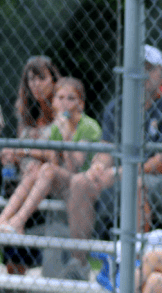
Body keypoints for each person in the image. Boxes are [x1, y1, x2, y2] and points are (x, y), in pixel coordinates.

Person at [67, 45, 162, 273]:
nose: (142, 73)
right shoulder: (117, 106)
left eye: (149, 68)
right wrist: (97, 168)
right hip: (123, 178)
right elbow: (106, 150)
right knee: (80, 182)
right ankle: (79, 263)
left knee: (136, 185)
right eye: (137, 67)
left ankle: (135, 268)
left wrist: (118, 173)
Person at [0, 78, 102, 237]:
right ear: (53, 102)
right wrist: (22, 154)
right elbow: (52, 160)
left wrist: (66, 135)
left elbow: (74, 167)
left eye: (71, 98)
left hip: (82, 184)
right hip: (62, 183)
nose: (64, 103)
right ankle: (3, 219)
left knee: (47, 170)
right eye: (60, 98)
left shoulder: (88, 126)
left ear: (80, 104)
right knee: (36, 171)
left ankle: (18, 222)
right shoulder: (56, 127)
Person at [0, 56, 60, 175]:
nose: (36, 84)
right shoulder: (25, 112)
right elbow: (20, 151)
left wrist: (23, 151)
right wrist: (10, 154)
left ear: (53, 80)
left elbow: (56, 155)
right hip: (26, 174)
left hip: (51, 173)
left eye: (42, 78)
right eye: (32, 79)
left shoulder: (62, 109)